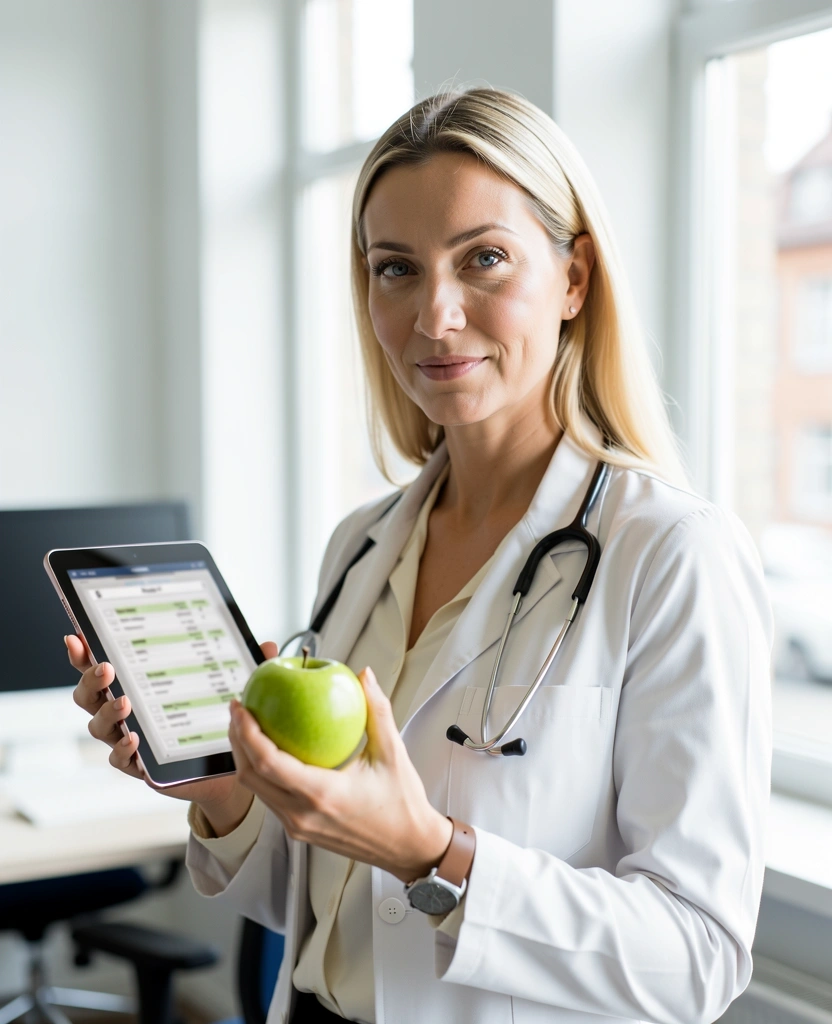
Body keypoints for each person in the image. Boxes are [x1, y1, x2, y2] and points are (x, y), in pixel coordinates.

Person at [69, 87, 773, 1024]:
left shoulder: (673, 555)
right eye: (395, 268)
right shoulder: (361, 544)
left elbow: (697, 958)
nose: (434, 317)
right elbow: (325, 908)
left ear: (574, 278)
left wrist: (432, 854)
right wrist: (230, 794)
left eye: (484, 258)